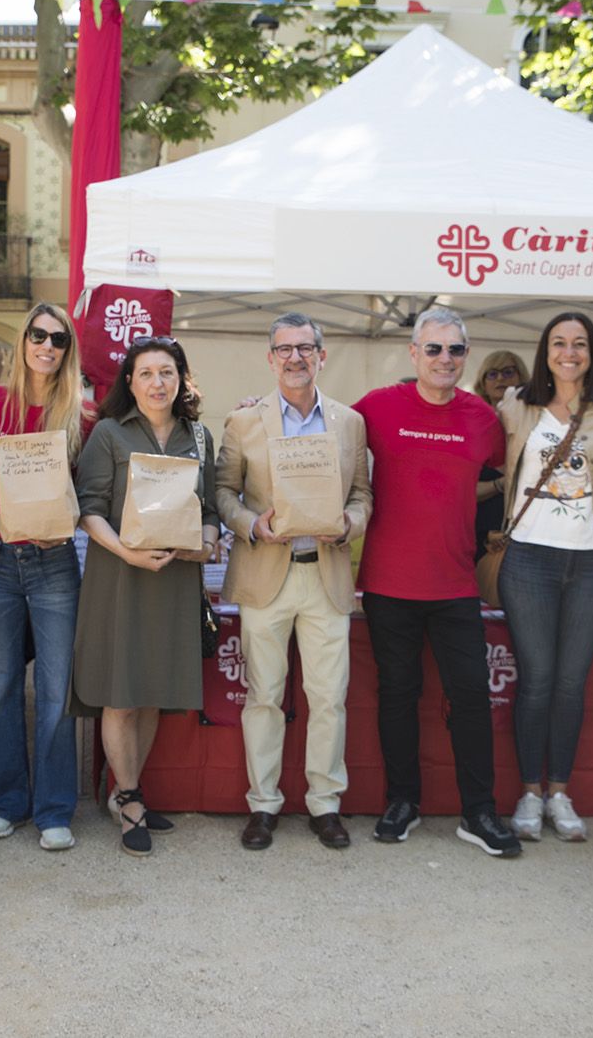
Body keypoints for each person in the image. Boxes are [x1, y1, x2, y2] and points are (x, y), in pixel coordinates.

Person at [352, 306, 520, 858]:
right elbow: (322, 429)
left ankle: (479, 811)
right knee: (398, 696)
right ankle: (403, 801)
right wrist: (264, 407)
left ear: (465, 356)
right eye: (434, 348)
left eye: (455, 350)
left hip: (455, 584)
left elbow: (505, 469)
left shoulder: (483, 419)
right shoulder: (377, 407)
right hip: (387, 581)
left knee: (470, 696)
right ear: (414, 354)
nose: (444, 358)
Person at [215, 312, 372, 850]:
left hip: (325, 573)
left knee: (329, 698)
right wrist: (250, 524)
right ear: (270, 357)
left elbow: (362, 495)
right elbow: (222, 492)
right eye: (284, 349)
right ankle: (263, 805)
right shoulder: (244, 421)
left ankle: (325, 805)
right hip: (267, 574)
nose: (295, 358)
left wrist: (351, 524)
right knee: (264, 696)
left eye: (305, 348)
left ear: (321, 356)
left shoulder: (349, 423)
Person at [495, 313, 593, 843]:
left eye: (579, 343)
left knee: (570, 683)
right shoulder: (517, 405)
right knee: (535, 683)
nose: (569, 352)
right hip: (529, 560)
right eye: (558, 342)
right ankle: (529, 796)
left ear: (592, 352)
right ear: (545, 350)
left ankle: (560, 792)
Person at [71, 336, 219, 857]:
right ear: (129, 382)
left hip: (176, 579)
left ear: (181, 379)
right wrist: (126, 553)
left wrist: (208, 535)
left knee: (153, 689)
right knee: (122, 693)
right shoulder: (108, 434)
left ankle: (125, 790)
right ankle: (128, 795)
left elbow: (209, 506)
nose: (158, 383)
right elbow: (87, 508)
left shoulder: (199, 437)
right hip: (120, 576)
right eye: (146, 373)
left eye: (167, 372)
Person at [0, 303, 93, 852]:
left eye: (57, 339)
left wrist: (61, 525)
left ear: (67, 350)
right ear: (23, 341)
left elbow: (89, 496)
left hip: (54, 562)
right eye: (37, 335)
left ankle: (55, 808)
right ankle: (7, 802)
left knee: (56, 689)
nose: (45, 345)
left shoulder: (81, 414)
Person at [472, 351, 529, 561]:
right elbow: (462, 488)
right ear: (483, 382)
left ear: (521, 377)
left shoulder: (538, 420)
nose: (500, 379)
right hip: (479, 529)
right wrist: (501, 483)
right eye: (492, 374)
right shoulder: (472, 422)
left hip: (524, 529)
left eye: (508, 372)